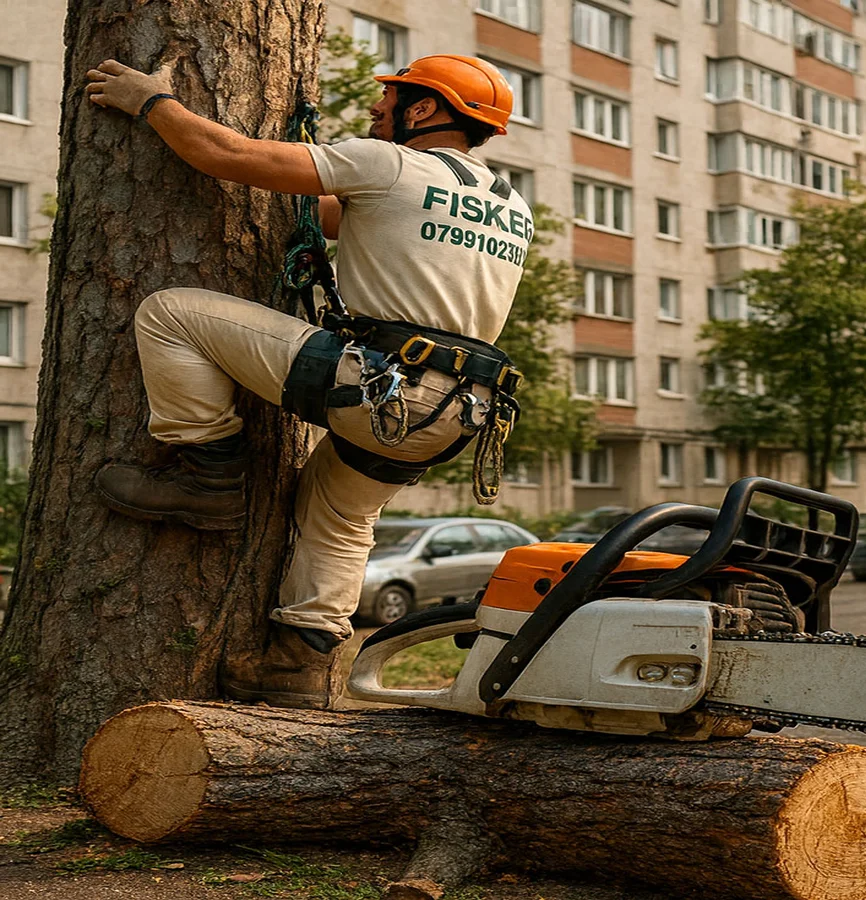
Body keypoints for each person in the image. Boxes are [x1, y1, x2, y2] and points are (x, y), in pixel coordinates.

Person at [83, 55, 531, 709]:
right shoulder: (510, 206)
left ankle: (210, 477)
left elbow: (226, 155)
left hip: (380, 384)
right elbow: (327, 217)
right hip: (457, 412)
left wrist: (150, 101)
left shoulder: (390, 165)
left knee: (169, 314)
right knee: (342, 515)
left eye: (389, 99)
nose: (377, 109)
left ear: (424, 109)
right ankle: (296, 667)